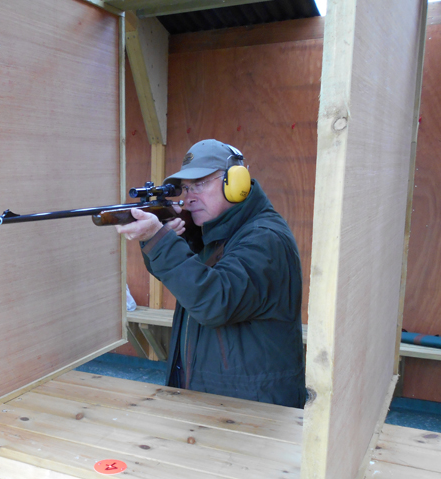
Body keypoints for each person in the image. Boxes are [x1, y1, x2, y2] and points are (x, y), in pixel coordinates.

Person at [116, 139, 305, 408]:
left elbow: (214, 301)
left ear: (235, 183)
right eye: (186, 188)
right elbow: (185, 282)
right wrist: (171, 238)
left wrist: (159, 238)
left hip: (254, 408)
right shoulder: (217, 234)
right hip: (215, 397)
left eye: (201, 184)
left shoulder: (265, 238)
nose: (190, 196)